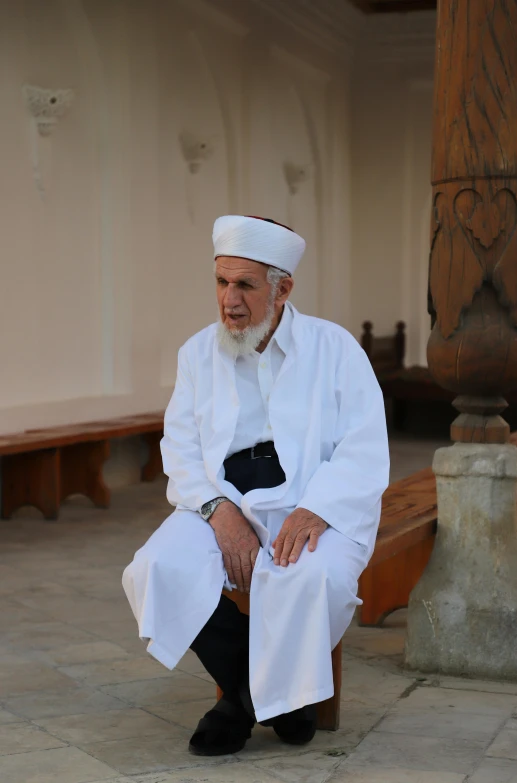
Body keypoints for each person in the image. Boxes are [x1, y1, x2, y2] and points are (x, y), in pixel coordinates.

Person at [122, 214, 389, 756]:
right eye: (221, 282)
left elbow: (364, 444)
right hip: (223, 498)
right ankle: (276, 697)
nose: (229, 299)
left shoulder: (334, 348)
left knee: (308, 578)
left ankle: (235, 707)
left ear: (282, 287)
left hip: (312, 499)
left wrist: (316, 509)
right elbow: (180, 447)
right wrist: (219, 511)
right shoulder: (198, 352)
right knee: (157, 568)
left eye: (245, 284)